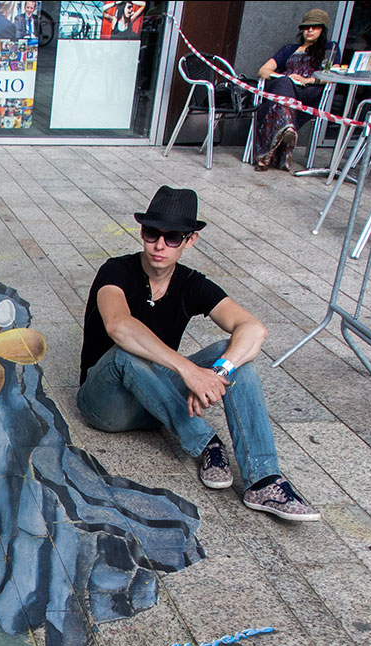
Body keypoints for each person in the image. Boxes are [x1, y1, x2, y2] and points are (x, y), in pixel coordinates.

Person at [76, 186, 320, 522]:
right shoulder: (116, 271)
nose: (159, 245)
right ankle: (206, 444)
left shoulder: (191, 283)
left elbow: (253, 329)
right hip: (104, 402)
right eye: (151, 234)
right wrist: (189, 371)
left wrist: (220, 371)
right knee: (126, 353)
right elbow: (119, 325)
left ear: (190, 241)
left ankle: (263, 479)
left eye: (172, 237)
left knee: (234, 356)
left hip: (155, 399)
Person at [252, 8, 340, 172]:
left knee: (279, 99)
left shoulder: (330, 49)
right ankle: (287, 129)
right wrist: (283, 77)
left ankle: (266, 156)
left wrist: (308, 80)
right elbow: (263, 71)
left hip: (308, 93)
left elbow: (333, 75)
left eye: (315, 27)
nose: (310, 30)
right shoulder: (289, 49)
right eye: (307, 27)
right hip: (283, 90)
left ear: (323, 29)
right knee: (283, 84)